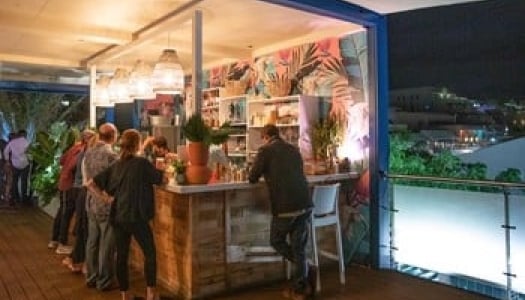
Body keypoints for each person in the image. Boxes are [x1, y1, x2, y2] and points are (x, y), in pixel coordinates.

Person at [87, 129, 165, 300]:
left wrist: (106, 199)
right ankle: (151, 293)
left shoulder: (116, 165)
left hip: (118, 217)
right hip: (136, 215)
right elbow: (161, 179)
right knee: (150, 253)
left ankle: (125, 294)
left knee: (121, 256)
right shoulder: (141, 163)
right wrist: (161, 167)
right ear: (137, 144)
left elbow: (91, 183)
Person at [248, 124, 315, 300]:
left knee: (276, 240)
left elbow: (252, 177)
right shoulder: (293, 149)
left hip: (285, 207)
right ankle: (301, 285)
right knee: (298, 248)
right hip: (305, 204)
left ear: (265, 137)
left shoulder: (265, 151)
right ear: (278, 134)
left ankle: (304, 270)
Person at [83, 123, 119, 291]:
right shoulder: (111, 156)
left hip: (91, 202)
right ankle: (104, 281)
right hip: (106, 203)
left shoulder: (89, 152)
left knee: (92, 242)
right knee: (106, 244)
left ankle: (91, 277)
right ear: (113, 135)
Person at [49, 130, 91, 254]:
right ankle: (61, 243)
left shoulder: (75, 147)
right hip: (69, 185)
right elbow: (74, 165)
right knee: (66, 213)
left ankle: (55, 240)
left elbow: (62, 160)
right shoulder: (81, 150)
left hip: (64, 183)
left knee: (62, 212)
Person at [61, 129, 96, 273]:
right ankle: (78, 261)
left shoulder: (81, 151)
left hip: (77, 189)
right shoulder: (85, 154)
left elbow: (63, 161)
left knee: (80, 226)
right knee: (83, 227)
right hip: (81, 190)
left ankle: (75, 260)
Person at [3, 130, 30, 206]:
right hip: (25, 163)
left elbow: (5, 151)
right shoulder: (26, 142)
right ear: (24, 135)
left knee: (14, 181)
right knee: (24, 181)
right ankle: (24, 199)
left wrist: (7, 160)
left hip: (15, 164)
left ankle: (15, 198)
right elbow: (29, 152)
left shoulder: (12, 142)